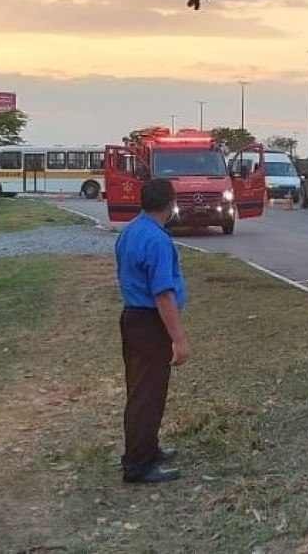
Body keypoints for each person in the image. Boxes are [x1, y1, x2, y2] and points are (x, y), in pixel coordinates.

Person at [115, 178, 190, 484]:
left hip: (132, 318)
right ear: (171, 203)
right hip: (149, 322)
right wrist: (179, 339)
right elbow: (162, 294)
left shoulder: (131, 230)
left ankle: (147, 448)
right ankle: (138, 464)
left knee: (142, 390)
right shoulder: (158, 240)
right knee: (148, 394)